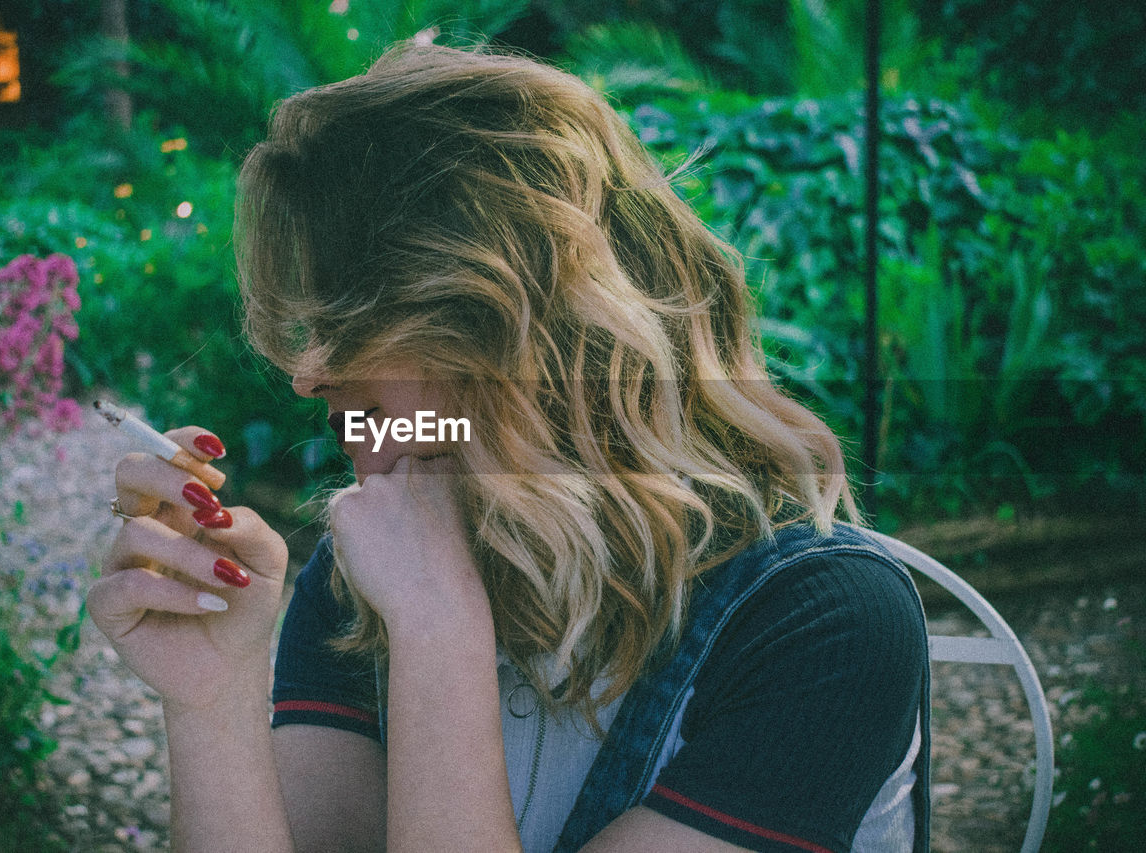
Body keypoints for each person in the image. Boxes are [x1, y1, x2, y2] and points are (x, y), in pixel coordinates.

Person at [90, 42, 930, 853]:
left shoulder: (826, 622)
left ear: (526, 334)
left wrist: (439, 631)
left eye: (351, 327)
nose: (310, 376)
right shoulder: (362, 584)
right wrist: (213, 694)